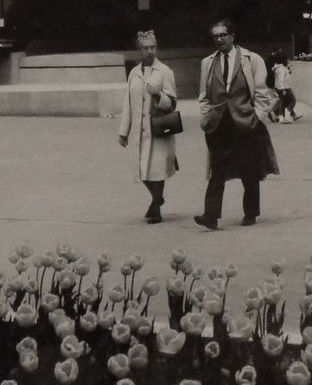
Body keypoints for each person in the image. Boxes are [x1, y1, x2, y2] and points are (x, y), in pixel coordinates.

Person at [194, 19, 278, 231]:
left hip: (245, 122)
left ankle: (250, 212)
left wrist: (257, 117)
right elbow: (204, 95)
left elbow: (261, 92)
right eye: (215, 36)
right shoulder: (208, 63)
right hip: (218, 124)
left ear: (232, 36)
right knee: (217, 169)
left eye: (223, 35)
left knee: (249, 168)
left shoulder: (252, 59)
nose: (219, 39)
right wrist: (205, 117)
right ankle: (210, 216)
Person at [117, 30, 180, 223]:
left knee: (157, 169)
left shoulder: (165, 71)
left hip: (159, 129)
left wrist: (158, 94)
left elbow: (173, 102)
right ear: (139, 50)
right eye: (145, 48)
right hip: (139, 130)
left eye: (153, 47)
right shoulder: (134, 73)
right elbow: (128, 103)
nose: (149, 51)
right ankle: (158, 199)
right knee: (143, 171)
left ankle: (156, 208)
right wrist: (123, 131)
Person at [268, 50, 302, 123]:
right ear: (283, 59)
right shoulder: (281, 68)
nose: (288, 60)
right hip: (285, 87)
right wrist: (283, 89)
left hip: (280, 87)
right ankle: (287, 115)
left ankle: (281, 117)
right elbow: (281, 79)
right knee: (293, 100)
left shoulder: (279, 67)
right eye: (286, 58)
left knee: (282, 102)